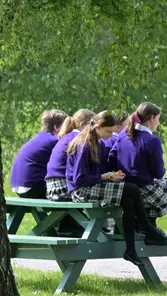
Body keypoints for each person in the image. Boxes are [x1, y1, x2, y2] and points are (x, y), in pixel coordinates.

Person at [63, 110, 147, 263]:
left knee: (128, 200)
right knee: (132, 189)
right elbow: (79, 180)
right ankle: (148, 228)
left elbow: (98, 172)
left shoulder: (98, 143)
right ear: (97, 126)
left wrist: (112, 176)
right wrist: (104, 176)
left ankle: (130, 249)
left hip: (91, 186)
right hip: (81, 191)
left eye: (113, 131)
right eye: (108, 131)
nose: (110, 135)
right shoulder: (84, 145)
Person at [112, 102, 167, 245]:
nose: (159, 123)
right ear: (151, 118)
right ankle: (149, 222)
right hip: (144, 188)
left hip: (124, 186)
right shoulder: (152, 140)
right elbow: (158, 173)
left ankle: (147, 223)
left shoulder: (124, 135)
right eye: (158, 119)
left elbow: (111, 158)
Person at [9, 110, 68, 196]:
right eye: (66, 127)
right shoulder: (55, 141)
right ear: (56, 128)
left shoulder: (40, 137)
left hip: (18, 187)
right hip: (33, 187)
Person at [43, 109, 95, 201]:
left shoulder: (67, 136)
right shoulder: (78, 139)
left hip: (51, 187)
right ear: (83, 124)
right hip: (62, 186)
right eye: (92, 125)